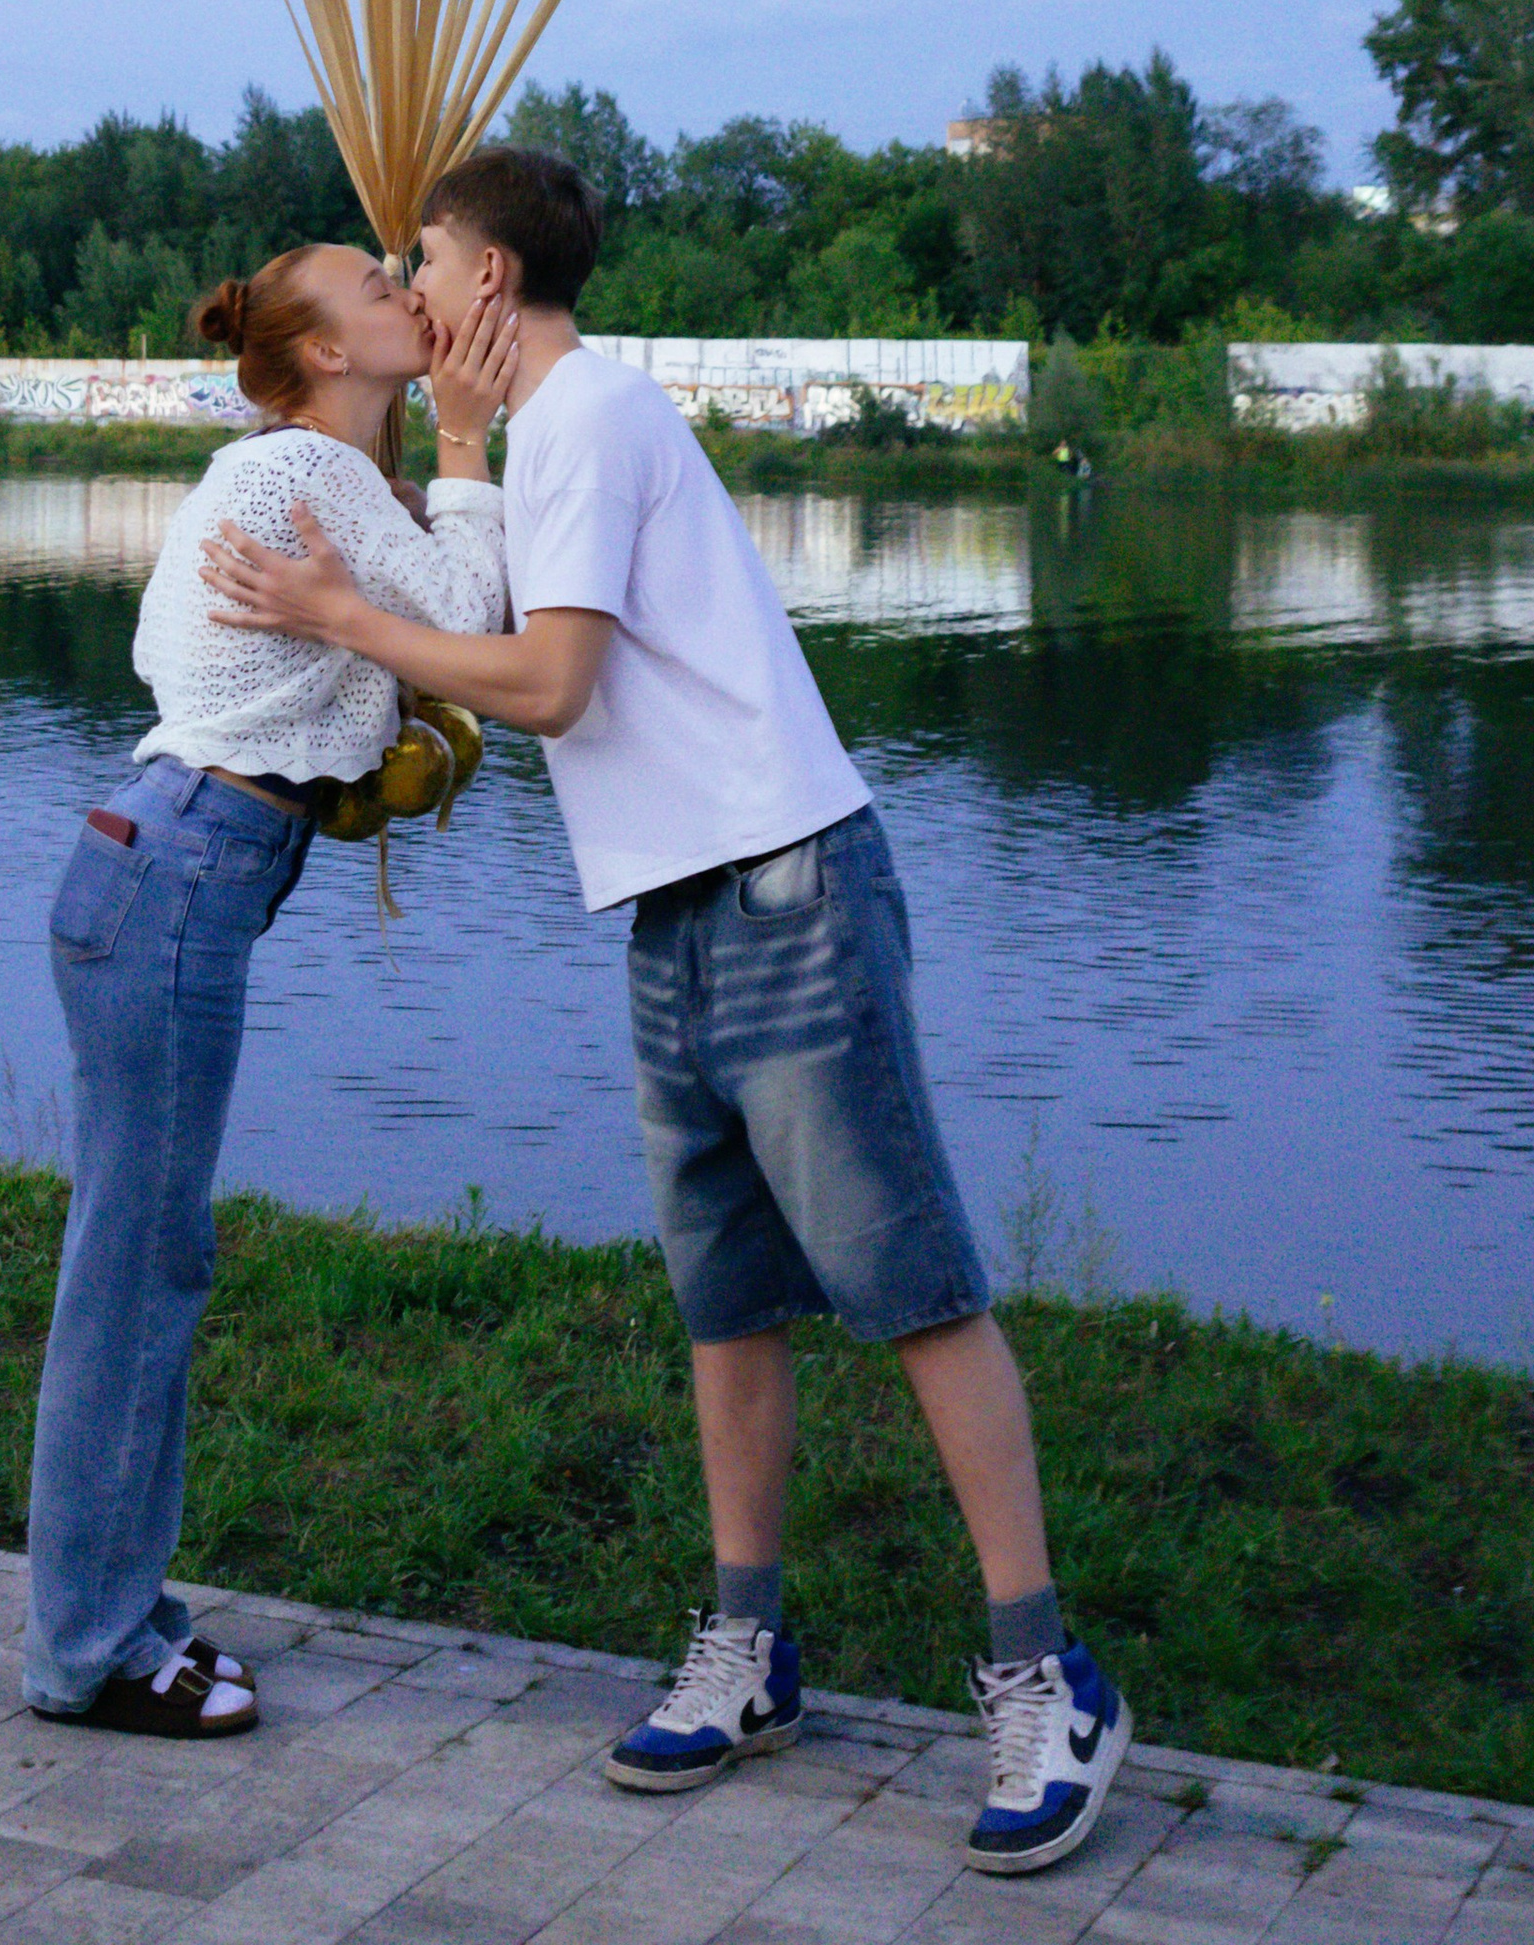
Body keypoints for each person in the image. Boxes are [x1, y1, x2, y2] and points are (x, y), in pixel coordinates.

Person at [200, 146, 1130, 1874]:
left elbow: (552, 683)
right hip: (676, 898)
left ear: (485, 280)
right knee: (726, 1295)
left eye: (423, 258)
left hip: (783, 876)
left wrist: (336, 610)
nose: (409, 286)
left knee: (909, 1278)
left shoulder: (599, 419)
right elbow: (492, 621)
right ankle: (750, 1645)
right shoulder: (541, 433)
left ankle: (1045, 1670)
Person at [22, 240, 518, 1740]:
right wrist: (471, 437)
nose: (403, 295)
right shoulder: (314, 464)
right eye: (377, 292)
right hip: (177, 885)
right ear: (320, 355)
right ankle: (91, 1649)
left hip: (158, 865)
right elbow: (480, 622)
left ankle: (118, 1612)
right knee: (140, 1271)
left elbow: (173, 648)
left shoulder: (282, 470)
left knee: (140, 1258)